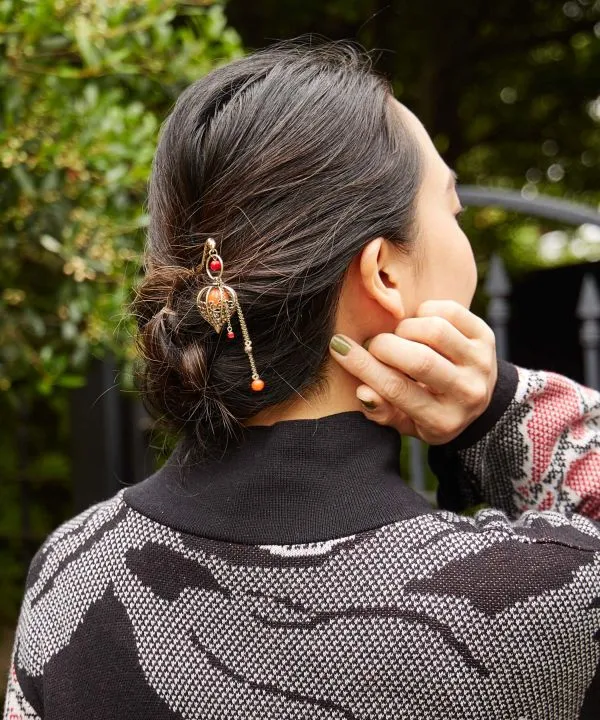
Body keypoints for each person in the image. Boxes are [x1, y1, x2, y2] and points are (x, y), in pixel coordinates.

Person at [4, 39, 600, 720]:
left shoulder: (73, 575)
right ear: (383, 272)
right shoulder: (545, 603)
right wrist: (497, 412)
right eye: (453, 207)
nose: (463, 232)